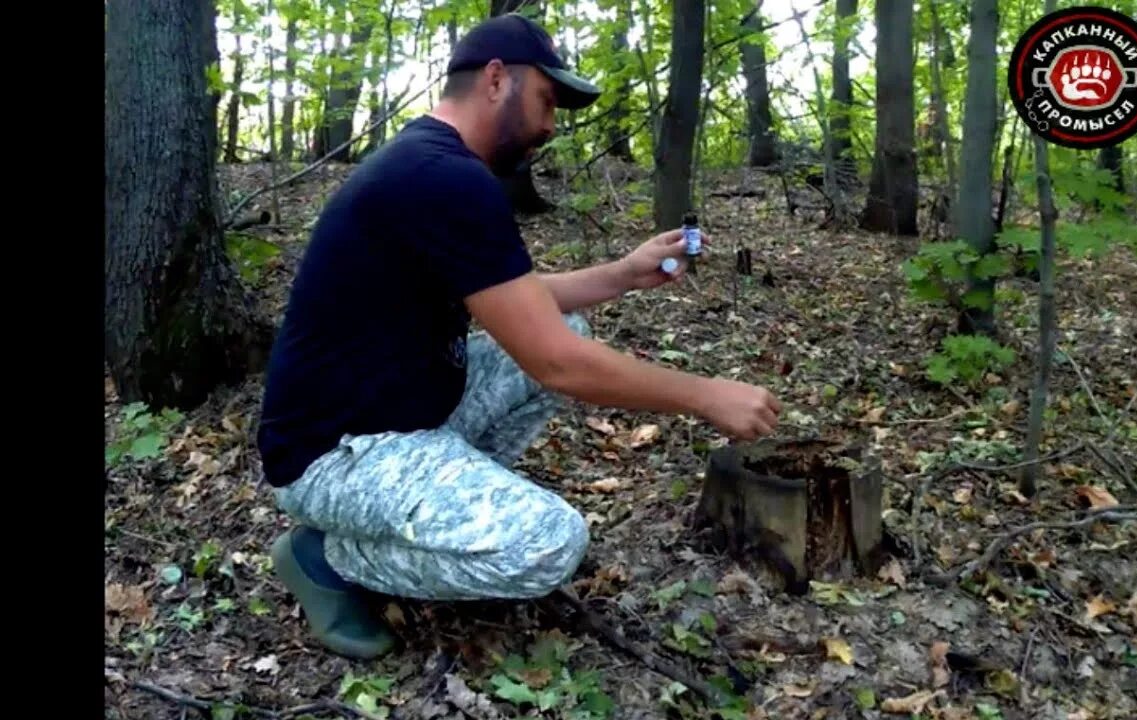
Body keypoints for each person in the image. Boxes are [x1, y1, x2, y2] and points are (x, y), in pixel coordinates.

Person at [255, 12, 782, 660]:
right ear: (497, 79)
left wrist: (622, 274)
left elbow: (522, 304)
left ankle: (433, 511)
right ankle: (327, 558)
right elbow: (558, 363)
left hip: (400, 418)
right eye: (546, 100)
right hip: (334, 454)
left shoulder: (430, 163)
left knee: (568, 323)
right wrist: (705, 395)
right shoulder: (444, 178)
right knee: (547, 545)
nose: (551, 125)